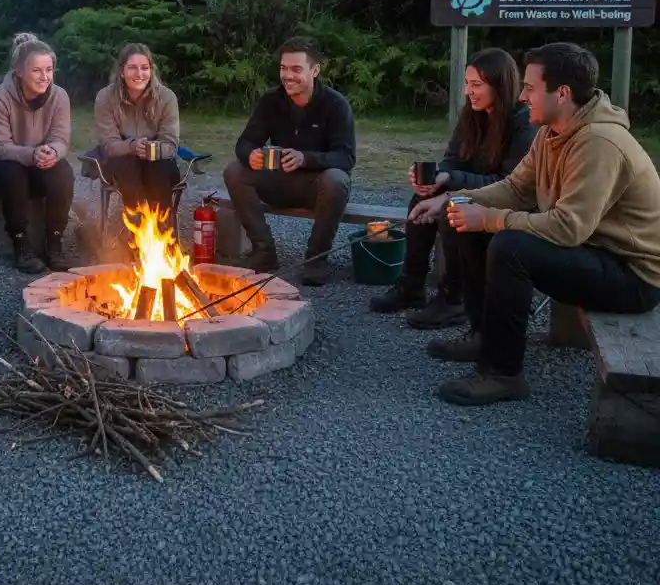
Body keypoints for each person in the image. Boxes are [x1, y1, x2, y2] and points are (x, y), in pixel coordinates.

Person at [410, 42, 660, 406]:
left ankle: (503, 373)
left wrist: (492, 220)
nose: (522, 95)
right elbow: (515, 188)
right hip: (593, 250)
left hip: (633, 275)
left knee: (511, 247)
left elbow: (567, 228)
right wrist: (452, 200)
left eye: (529, 87)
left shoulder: (600, 143)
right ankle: (484, 336)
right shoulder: (552, 131)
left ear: (562, 93)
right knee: (465, 218)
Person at [370, 48, 536, 328]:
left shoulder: (523, 124)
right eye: (467, 84)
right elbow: (452, 160)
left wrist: (450, 182)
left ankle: (453, 297)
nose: (468, 92)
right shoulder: (472, 115)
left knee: (452, 210)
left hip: (507, 201)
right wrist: (434, 177)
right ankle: (412, 284)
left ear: (500, 85)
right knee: (422, 196)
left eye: (476, 85)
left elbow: (508, 183)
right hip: (471, 192)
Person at [223, 36, 356, 286]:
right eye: (283, 68)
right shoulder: (272, 101)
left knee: (336, 180)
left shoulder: (335, 105)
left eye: (296, 69)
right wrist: (250, 154)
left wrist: (305, 158)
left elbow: (345, 157)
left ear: (315, 70)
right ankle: (264, 251)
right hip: (278, 181)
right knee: (234, 171)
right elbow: (245, 142)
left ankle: (316, 259)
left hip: (315, 187)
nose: (288, 76)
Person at [0, 32, 75, 274]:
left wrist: (52, 151)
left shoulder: (59, 96)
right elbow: (0, 146)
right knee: (13, 171)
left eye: (49, 70)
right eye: (37, 71)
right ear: (19, 71)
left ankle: (54, 242)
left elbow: (61, 138)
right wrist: (32, 155)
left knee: (63, 170)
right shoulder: (0, 96)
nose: (45, 77)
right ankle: (21, 243)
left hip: (38, 163)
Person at [94, 43, 181, 224]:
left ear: (151, 70)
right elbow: (109, 144)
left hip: (156, 158)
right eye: (132, 68)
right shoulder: (105, 98)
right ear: (122, 71)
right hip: (122, 158)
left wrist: (151, 149)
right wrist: (131, 147)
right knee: (125, 165)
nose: (139, 74)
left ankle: (161, 230)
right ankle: (139, 226)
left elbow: (171, 145)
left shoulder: (166, 98)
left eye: (144, 68)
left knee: (158, 168)